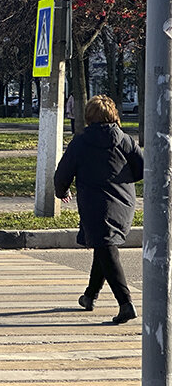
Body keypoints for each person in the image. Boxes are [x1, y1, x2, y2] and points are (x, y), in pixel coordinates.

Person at [54, 95, 143, 325]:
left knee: (105, 247)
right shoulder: (125, 139)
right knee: (103, 246)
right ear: (114, 114)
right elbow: (142, 168)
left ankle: (125, 303)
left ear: (89, 116)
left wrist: (61, 191)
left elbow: (63, 172)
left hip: (95, 203)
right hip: (124, 202)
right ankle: (90, 296)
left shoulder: (81, 142)